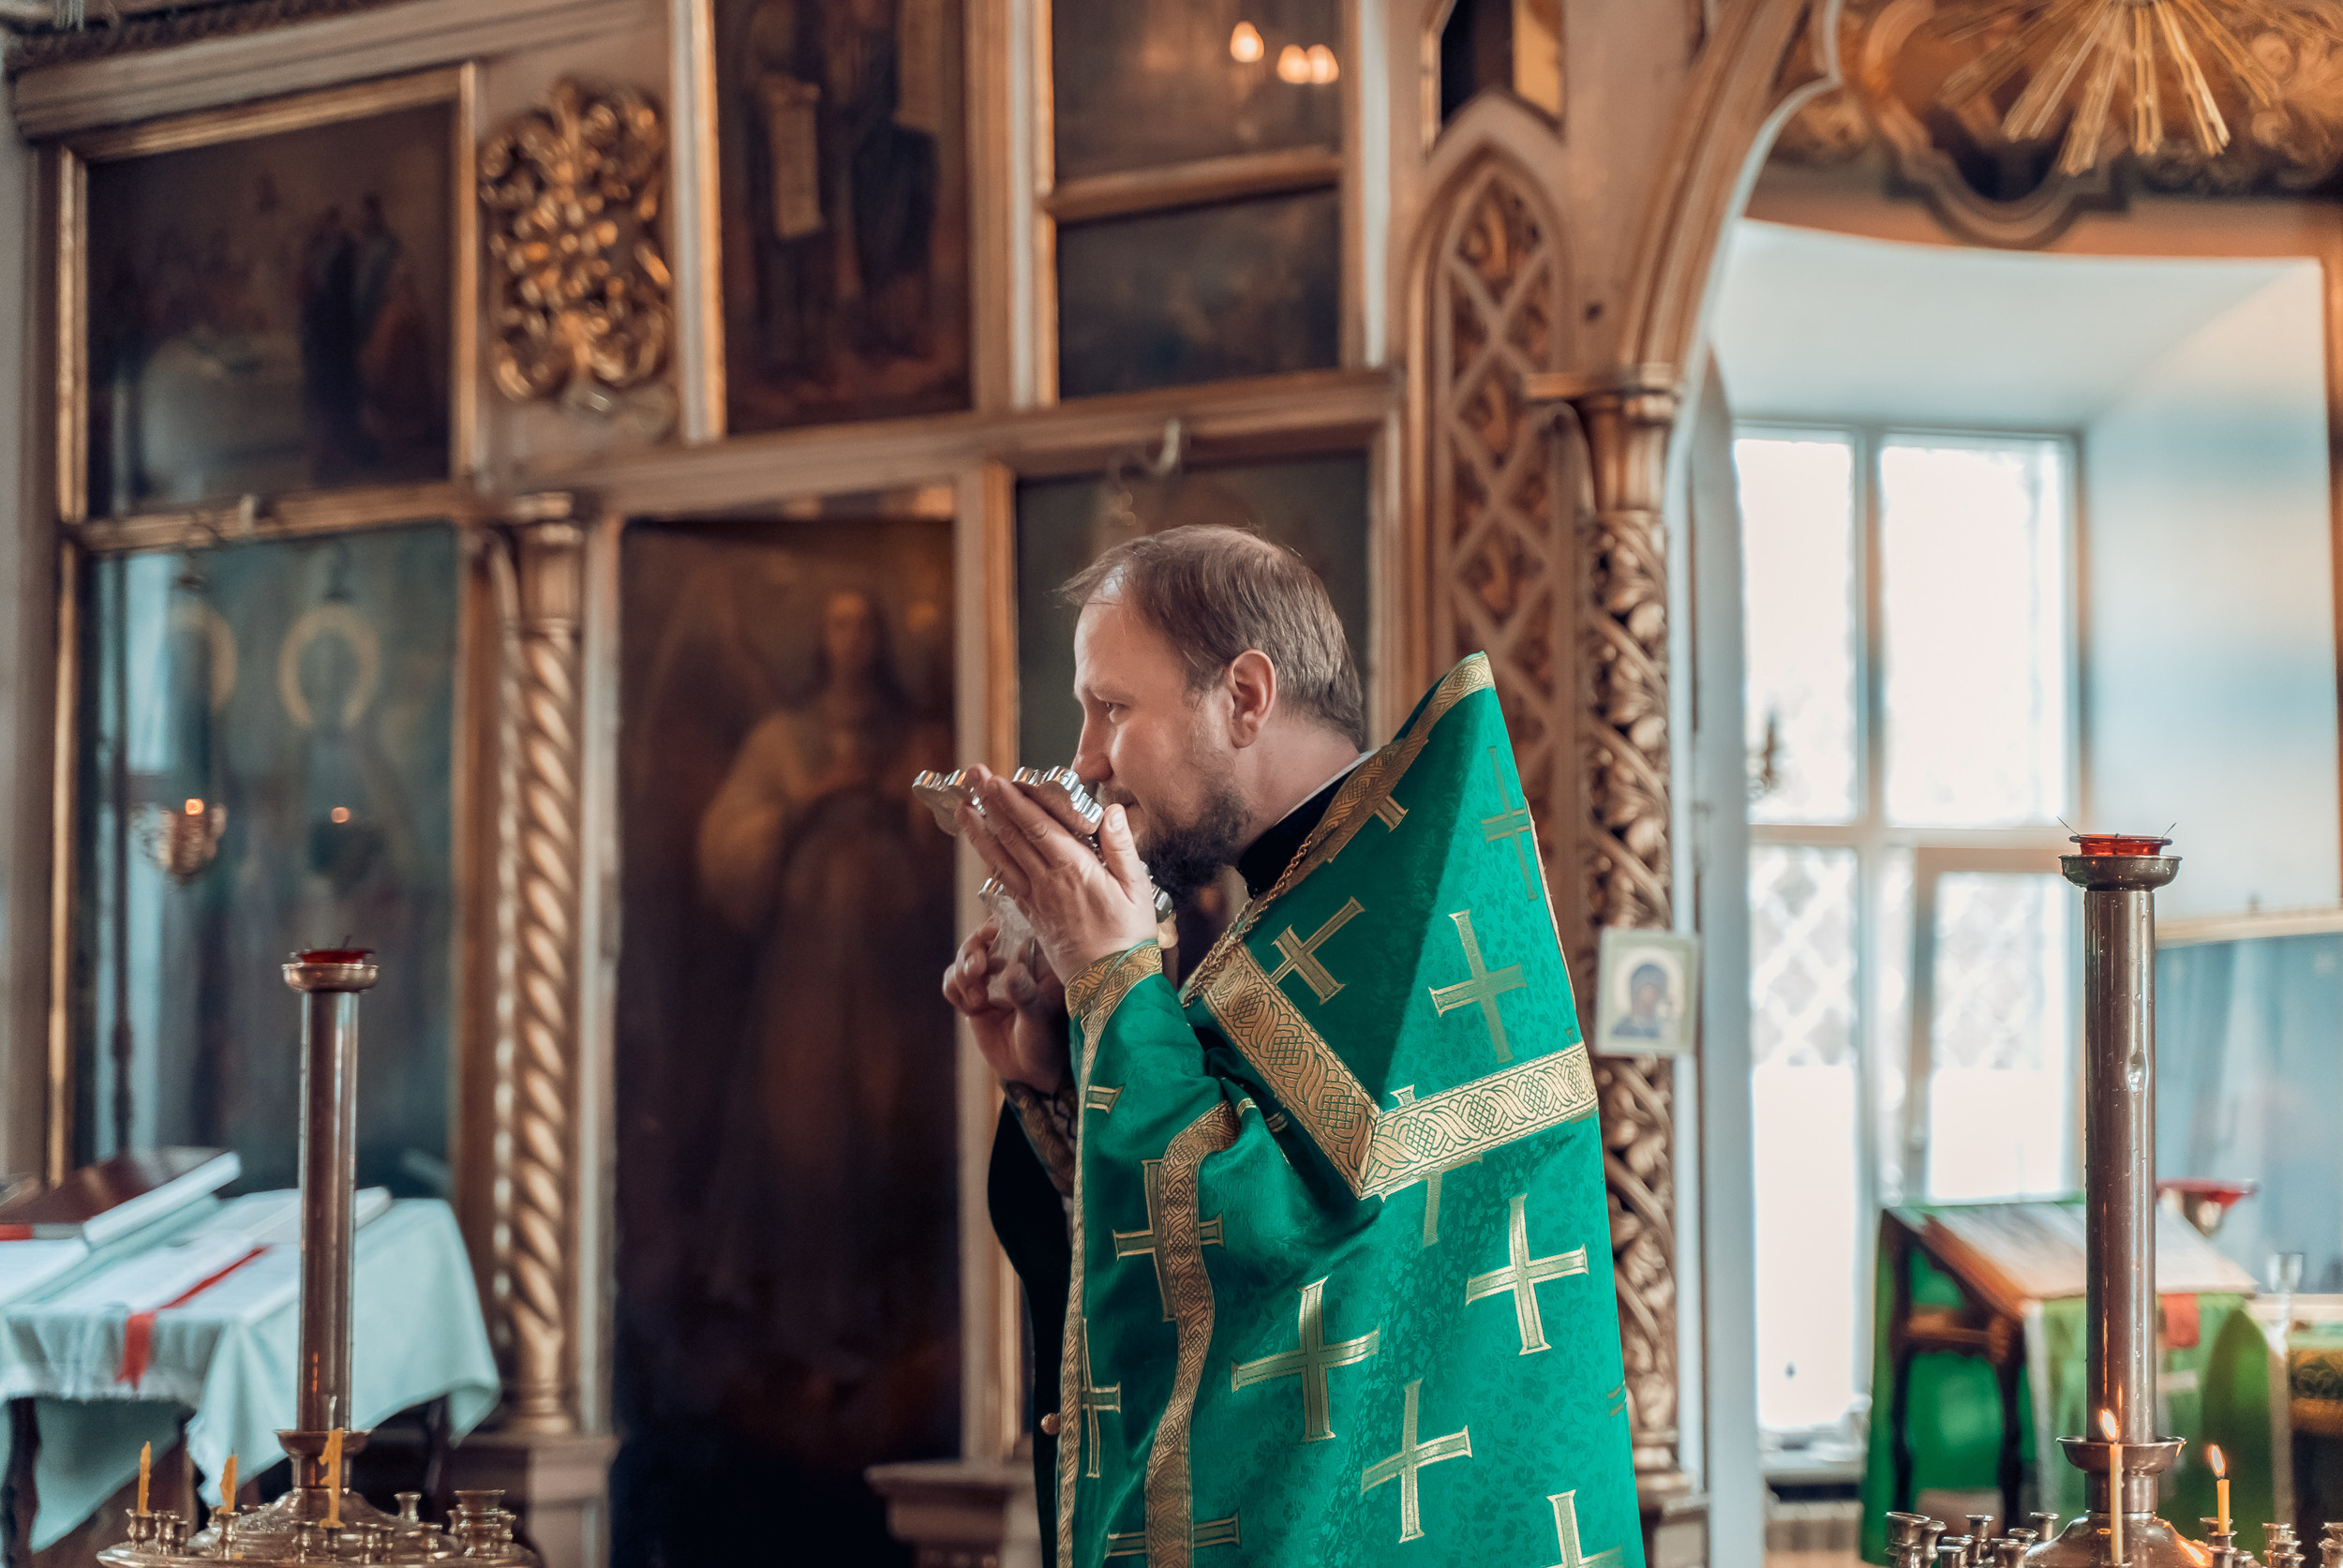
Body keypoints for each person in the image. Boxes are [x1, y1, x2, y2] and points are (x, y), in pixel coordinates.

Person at [942, 526, 1642, 1567]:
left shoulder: (1406, 917)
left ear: (1245, 696)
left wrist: (1117, 984)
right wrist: (1048, 1075)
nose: (1085, 756)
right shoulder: (1310, 910)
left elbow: (1273, 1247)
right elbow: (1221, 1233)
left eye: (1112, 707)